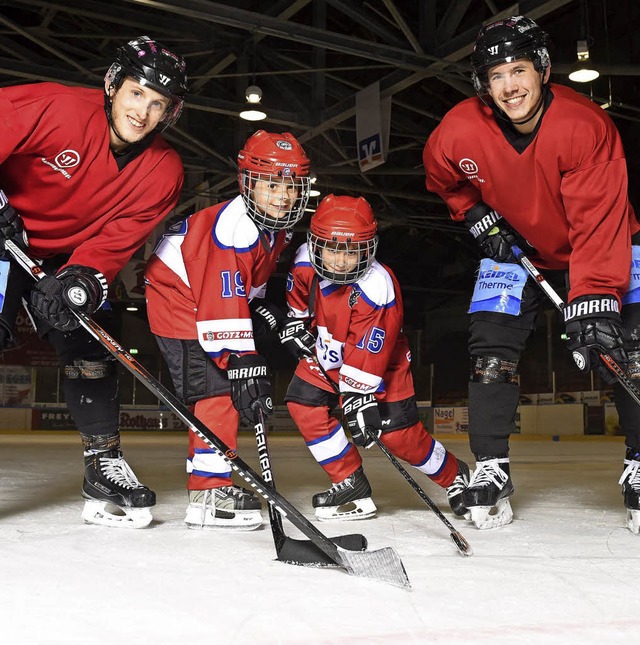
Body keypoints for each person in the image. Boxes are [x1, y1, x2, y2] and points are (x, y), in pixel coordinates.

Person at [422, 15, 640, 532]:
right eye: (496, 76)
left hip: (604, 246)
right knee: (489, 354)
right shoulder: (457, 130)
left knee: (626, 351)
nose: (510, 86)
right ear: (483, 85)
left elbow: (598, 221)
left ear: (542, 69)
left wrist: (593, 295)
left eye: (518, 70)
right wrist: (473, 214)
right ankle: (492, 467)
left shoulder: (584, 126)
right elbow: (441, 178)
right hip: (515, 251)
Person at [0, 35, 187, 528]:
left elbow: (112, 244)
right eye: (135, 94)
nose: (142, 112)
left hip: (64, 254)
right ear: (112, 85)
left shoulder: (164, 172)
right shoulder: (54, 106)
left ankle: (102, 464)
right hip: (3, 232)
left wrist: (83, 277)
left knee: (90, 345)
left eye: (157, 103)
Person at [144, 129, 311, 530]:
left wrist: (262, 307)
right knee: (217, 388)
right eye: (272, 184)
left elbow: (241, 284)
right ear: (249, 183)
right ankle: (207, 494)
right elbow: (219, 300)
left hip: (205, 293)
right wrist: (239, 357)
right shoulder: (233, 230)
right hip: (179, 299)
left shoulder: (276, 227)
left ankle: (211, 483)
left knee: (226, 383)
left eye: (291, 186)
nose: (283, 196)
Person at [279, 194, 470, 521]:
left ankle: (456, 476)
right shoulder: (303, 261)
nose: (339, 262)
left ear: (367, 248)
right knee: (303, 402)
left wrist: (356, 395)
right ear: (315, 244)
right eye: (331, 249)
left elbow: (369, 349)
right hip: (327, 354)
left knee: (398, 437)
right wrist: (295, 321)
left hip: (380, 367)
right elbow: (299, 298)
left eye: (351, 252)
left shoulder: (376, 287)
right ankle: (348, 479)